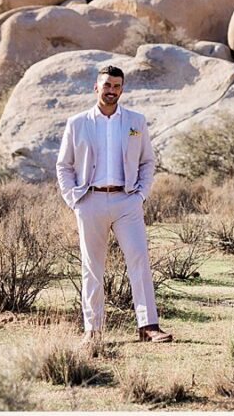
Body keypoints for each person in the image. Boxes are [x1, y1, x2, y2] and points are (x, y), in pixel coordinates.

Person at [55, 64, 172, 344]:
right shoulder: (77, 123)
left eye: (117, 86)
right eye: (107, 85)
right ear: (96, 87)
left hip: (127, 201)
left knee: (139, 260)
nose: (111, 91)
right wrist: (75, 200)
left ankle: (148, 326)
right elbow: (64, 166)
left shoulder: (135, 121)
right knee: (92, 266)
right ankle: (93, 330)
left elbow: (147, 162)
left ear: (122, 89)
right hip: (89, 200)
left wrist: (140, 195)